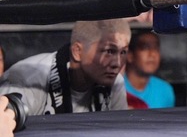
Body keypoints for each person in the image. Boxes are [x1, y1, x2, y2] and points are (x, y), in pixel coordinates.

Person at [0, 19, 131, 115]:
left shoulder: (115, 83)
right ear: (77, 51)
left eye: (123, 52)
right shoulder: (28, 80)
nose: (117, 63)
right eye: (109, 51)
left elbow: (119, 136)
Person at [124, 31, 175, 109]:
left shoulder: (165, 90)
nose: (152, 54)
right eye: (145, 48)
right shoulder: (115, 88)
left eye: (156, 48)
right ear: (130, 56)